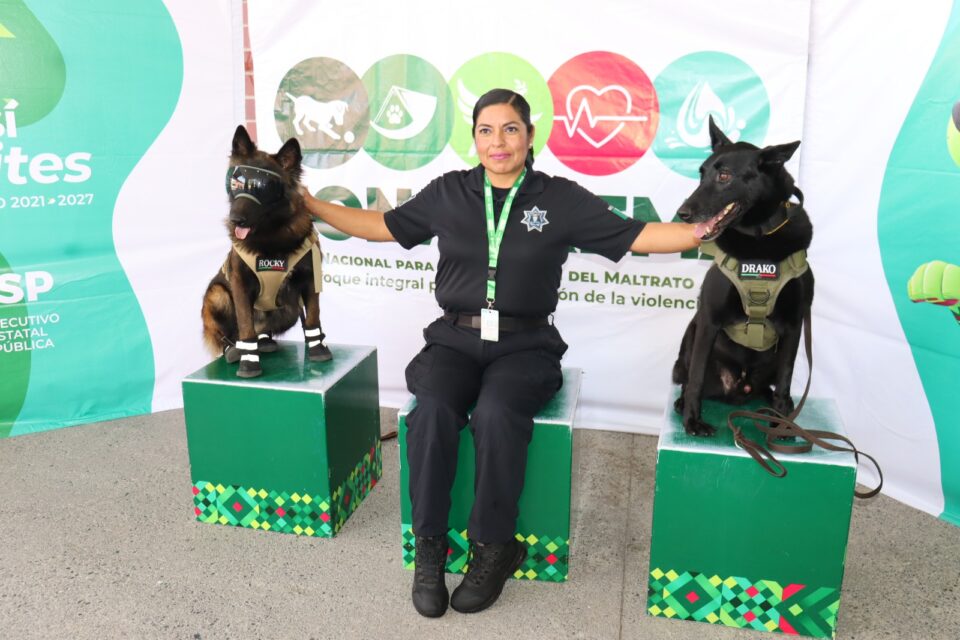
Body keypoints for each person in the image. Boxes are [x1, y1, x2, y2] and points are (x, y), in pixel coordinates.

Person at [300, 88, 701, 617]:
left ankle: (494, 547)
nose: (499, 142)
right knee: (433, 409)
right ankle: (429, 549)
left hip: (525, 344)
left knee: (494, 413)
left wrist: (702, 231)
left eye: (511, 129)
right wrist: (309, 204)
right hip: (455, 338)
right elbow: (380, 227)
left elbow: (638, 235)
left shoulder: (559, 198)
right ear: (474, 139)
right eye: (486, 131)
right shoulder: (449, 192)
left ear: (530, 136)